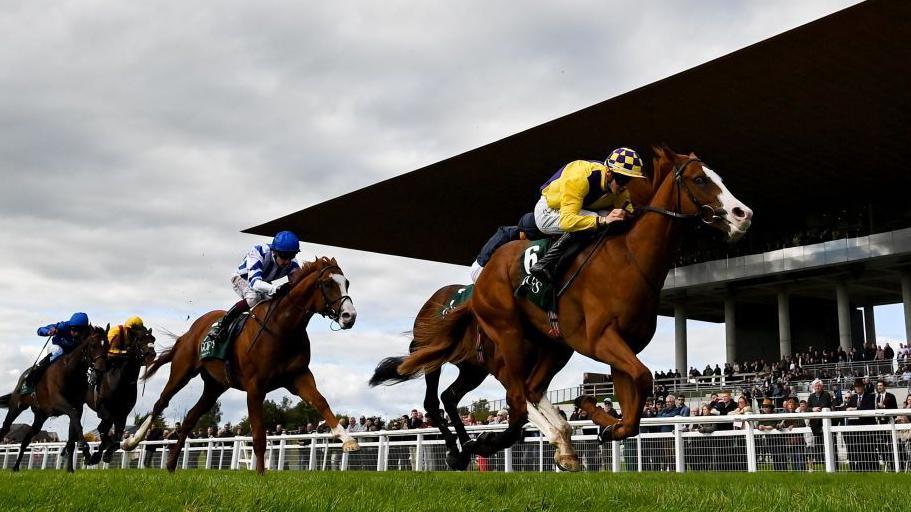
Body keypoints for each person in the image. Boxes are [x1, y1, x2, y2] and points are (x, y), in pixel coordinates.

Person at [519, 147, 645, 289]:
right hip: (549, 210)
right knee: (597, 218)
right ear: (609, 173)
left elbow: (629, 214)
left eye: (630, 180)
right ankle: (543, 264)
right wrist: (602, 221)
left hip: (577, 210)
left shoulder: (621, 190)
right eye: (623, 179)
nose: (625, 186)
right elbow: (568, 221)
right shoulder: (579, 178)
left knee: (613, 217)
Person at [212, 231, 302, 343]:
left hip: (264, 282)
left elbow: (299, 286)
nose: (287, 261)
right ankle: (222, 324)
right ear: (274, 252)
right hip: (242, 279)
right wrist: (276, 289)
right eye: (284, 256)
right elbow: (254, 283)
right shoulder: (258, 252)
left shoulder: (292, 263)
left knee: (277, 303)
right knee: (253, 297)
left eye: (291, 256)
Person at [24, 312, 91, 390]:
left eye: (80, 331)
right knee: (58, 351)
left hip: (72, 354)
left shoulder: (88, 332)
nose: (76, 333)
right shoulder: (63, 326)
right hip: (57, 349)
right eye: (73, 329)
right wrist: (48, 332)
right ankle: (35, 374)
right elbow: (39, 330)